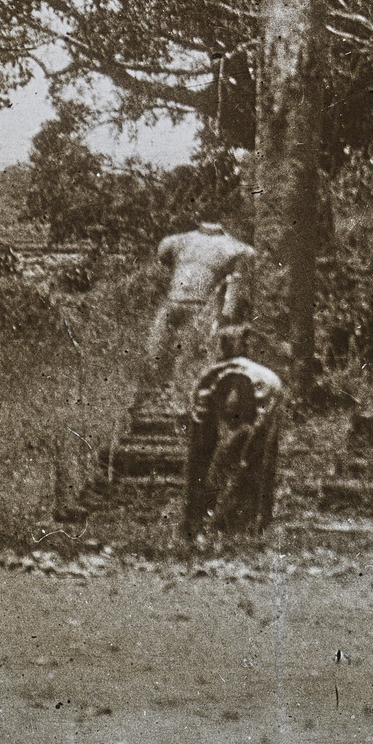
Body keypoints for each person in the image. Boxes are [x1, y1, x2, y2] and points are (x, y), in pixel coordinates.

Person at [144, 221, 257, 391]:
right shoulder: (177, 242)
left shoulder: (237, 249)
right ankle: (155, 392)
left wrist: (225, 316)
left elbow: (235, 286)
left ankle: (179, 395)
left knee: (188, 359)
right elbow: (160, 268)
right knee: (154, 352)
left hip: (201, 308)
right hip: (173, 303)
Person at [184, 356, 286, 539]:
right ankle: (199, 520)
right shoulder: (206, 388)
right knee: (206, 464)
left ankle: (253, 521)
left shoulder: (265, 390)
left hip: (262, 398)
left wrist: (245, 458)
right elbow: (199, 456)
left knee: (255, 466)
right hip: (225, 394)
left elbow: (259, 438)